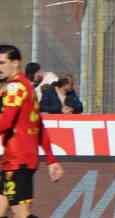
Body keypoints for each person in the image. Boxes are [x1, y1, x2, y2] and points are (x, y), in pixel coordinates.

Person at [0, 45, 63, 218]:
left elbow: (5, 123)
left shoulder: (15, 88)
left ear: (16, 63)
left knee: (20, 213)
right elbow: (39, 126)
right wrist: (51, 159)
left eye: (2, 63)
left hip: (17, 160)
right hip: (23, 158)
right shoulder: (26, 86)